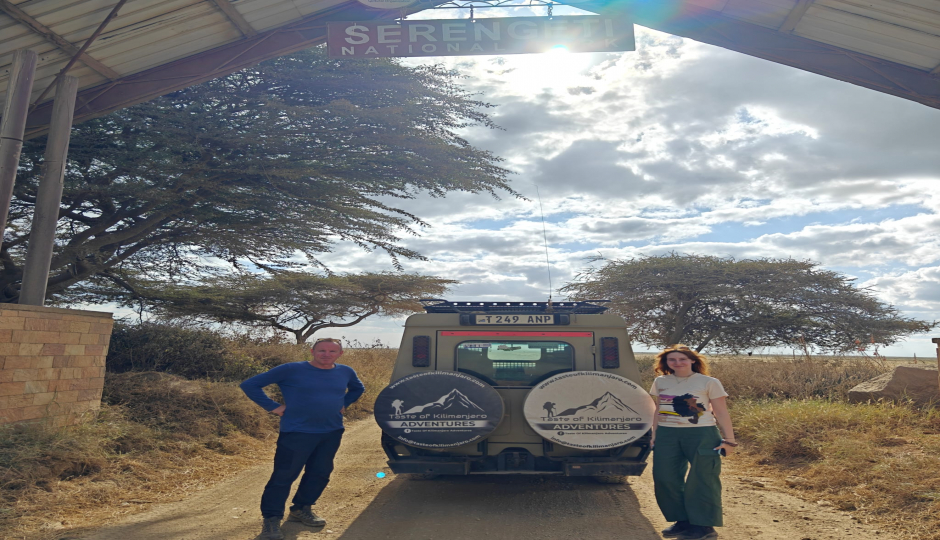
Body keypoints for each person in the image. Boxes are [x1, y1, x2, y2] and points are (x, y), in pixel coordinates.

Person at [240, 337, 365, 540]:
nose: (326, 354)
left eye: (332, 351)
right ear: (312, 351)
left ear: (340, 354)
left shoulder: (346, 371)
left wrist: (345, 403)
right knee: (283, 476)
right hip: (296, 432)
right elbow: (250, 384)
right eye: (321, 350)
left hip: (331, 431)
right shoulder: (291, 369)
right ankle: (271, 520)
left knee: (320, 473)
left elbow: (358, 388)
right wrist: (274, 407)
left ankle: (301, 508)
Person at [649, 345, 736, 540]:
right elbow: (658, 409)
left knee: (702, 479)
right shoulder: (661, 381)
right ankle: (682, 522)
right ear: (666, 363)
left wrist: (729, 441)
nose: (677, 363)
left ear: (692, 360)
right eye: (672, 359)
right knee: (665, 477)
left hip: (701, 433)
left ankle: (703, 527)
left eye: (682, 359)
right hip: (667, 434)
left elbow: (721, 412)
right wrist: (654, 434)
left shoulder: (709, 382)